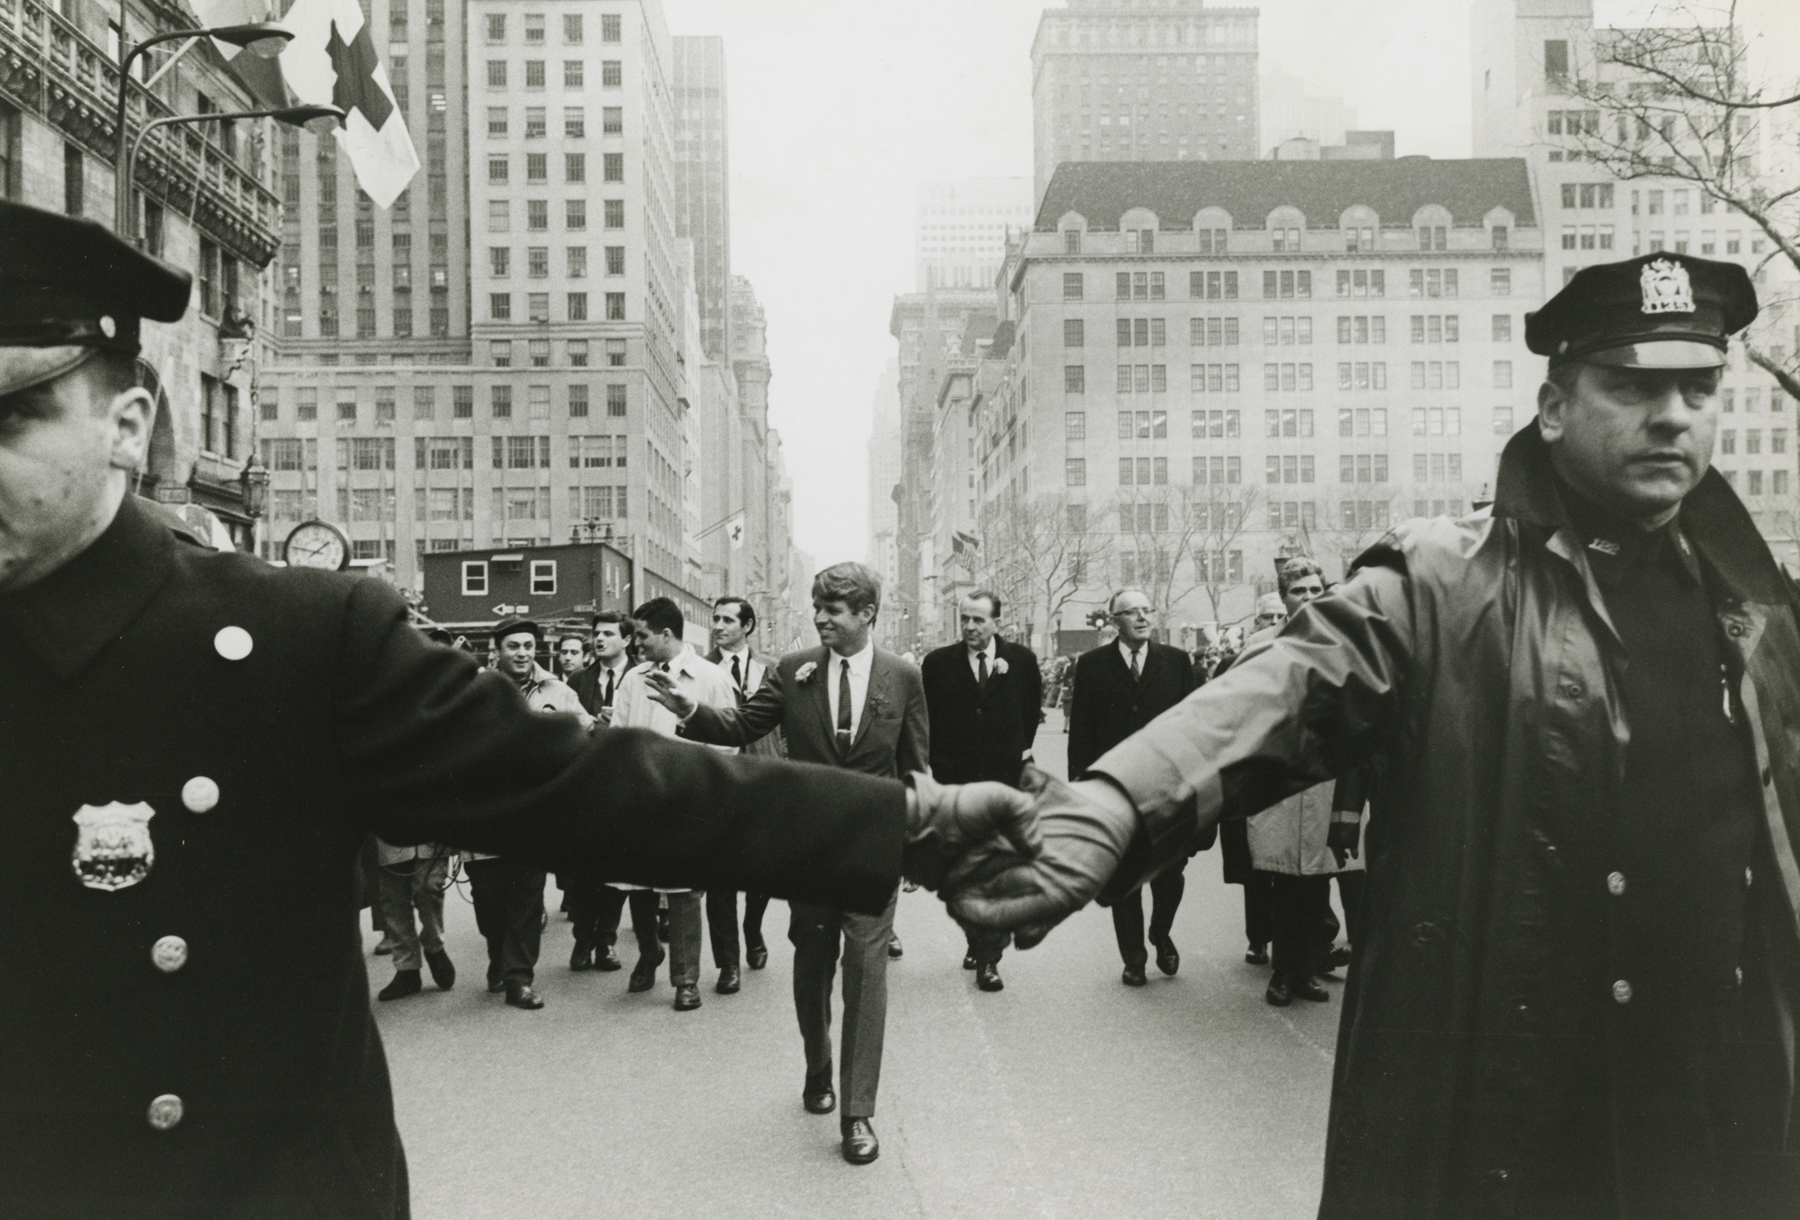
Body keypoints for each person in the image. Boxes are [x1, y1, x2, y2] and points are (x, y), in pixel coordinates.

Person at [0, 201, 1040, 1219]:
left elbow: (584, 784)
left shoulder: (297, 638)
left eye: (11, 417)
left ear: (127, 423)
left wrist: (907, 824)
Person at [954, 252, 1800, 1219]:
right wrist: (1106, 813)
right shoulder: (1443, 584)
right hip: (1508, 1130)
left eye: (1699, 387)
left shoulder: (1760, 611)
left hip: (1713, 1133)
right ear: (1555, 407)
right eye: (1634, 385)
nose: (1674, 415)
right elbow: (1279, 695)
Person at [646, 562, 929, 1166]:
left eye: (834, 608)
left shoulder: (903, 678)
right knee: (813, 962)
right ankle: (817, 1066)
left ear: (867, 615)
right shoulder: (793, 671)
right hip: (810, 848)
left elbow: (917, 768)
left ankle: (858, 1113)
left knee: (866, 969)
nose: (821, 617)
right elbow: (744, 724)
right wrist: (690, 709)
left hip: (873, 846)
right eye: (818, 606)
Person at [1238, 558, 1367, 1007]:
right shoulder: (1260, 646)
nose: (1310, 598)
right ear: (1284, 596)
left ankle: (1307, 968)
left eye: (1317, 590)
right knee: (1282, 881)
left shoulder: (1344, 646)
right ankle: (1282, 972)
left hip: (1326, 781)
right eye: (1300, 591)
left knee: (1317, 879)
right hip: (1279, 778)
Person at [1064, 588, 1197, 986]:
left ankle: (1160, 933)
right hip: (1115, 788)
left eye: (1146, 610)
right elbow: (1081, 729)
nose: (1141, 617)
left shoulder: (1176, 662)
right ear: (1114, 620)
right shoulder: (1091, 665)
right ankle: (1134, 957)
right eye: (1131, 612)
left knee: (1170, 873)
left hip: (1167, 787)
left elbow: (1191, 726)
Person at [610, 597, 737, 1011]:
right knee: (639, 886)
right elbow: (618, 737)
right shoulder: (633, 678)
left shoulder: (711, 678)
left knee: (683, 891)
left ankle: (685, 980)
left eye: (642, 636)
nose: (636, 644)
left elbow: (729, 742)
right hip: (642, 801)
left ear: (666, 634)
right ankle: (649, 953)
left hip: (689, 802)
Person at [462, 616, 592, 1010]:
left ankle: (519, 977)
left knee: (526, 898)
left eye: (528, 646)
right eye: (513, 646)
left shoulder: (558, 691)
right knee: (488, 900)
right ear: (496, 651)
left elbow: (581, 736)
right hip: (483, 817)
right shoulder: (471, 692)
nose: (522, 653)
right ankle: (498, 957)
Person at [921, 591, 1043, 992]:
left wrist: (1013, 754)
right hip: (955, 784)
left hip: (1003, 783)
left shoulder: (1021, 661)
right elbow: (929, 722)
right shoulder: (938, 665)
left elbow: (1030, 713)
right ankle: (975, 939)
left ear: (997, 623)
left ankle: (989, 959)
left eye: (978, 620)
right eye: (965, 620)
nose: (970, 627)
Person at [705, 595, 781, 982]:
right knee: (720, 876)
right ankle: (728, 963)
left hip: (764, 778)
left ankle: (753, 927)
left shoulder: (773, 669)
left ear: (747, 626)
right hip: (718, 779)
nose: (718, 626)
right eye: (715, 619)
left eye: (728, 620)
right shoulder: (702, 670)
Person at [565, 610, 632, 971]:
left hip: (624, 787)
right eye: (596, 633)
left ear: (627, 640)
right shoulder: (578, 679)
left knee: (616, 872)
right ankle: (582, 939)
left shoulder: (641, 676)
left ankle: (606, 941)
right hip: (586, 788)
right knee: (583, 872)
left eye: (608, 633)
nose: (599, 639)